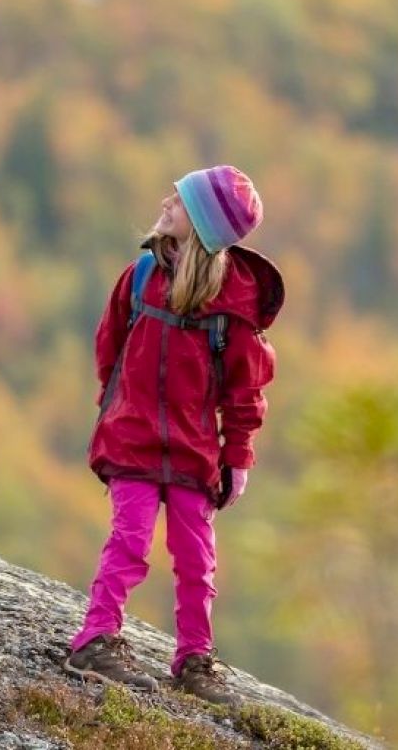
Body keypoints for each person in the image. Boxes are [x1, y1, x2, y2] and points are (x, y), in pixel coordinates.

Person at [66, 165, 283, 703]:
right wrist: (117, 410)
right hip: (132, 440)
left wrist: (238, 459)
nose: (167, 202)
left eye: (182, 201)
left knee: (195, 559)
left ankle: (194, 660)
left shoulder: (233, 308)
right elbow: (108, 348)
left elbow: (244, 393)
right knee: (130, 541)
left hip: (192, 453)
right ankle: (96, 638)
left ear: (203, 226)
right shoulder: (140, 277)